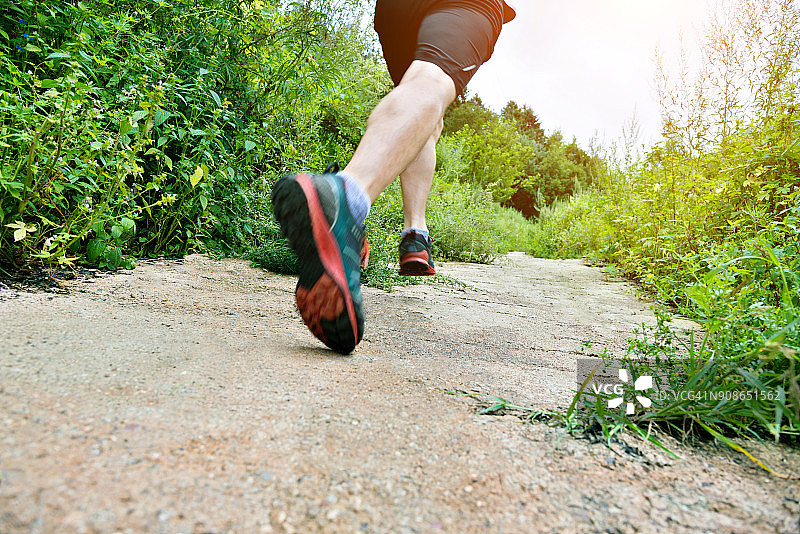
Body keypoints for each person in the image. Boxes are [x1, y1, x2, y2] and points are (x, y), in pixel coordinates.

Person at [272, 0, 516, 354]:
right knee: (431, 82)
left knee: (424, 104)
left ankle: (415, 236)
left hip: (395, 11)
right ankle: (347, 199)